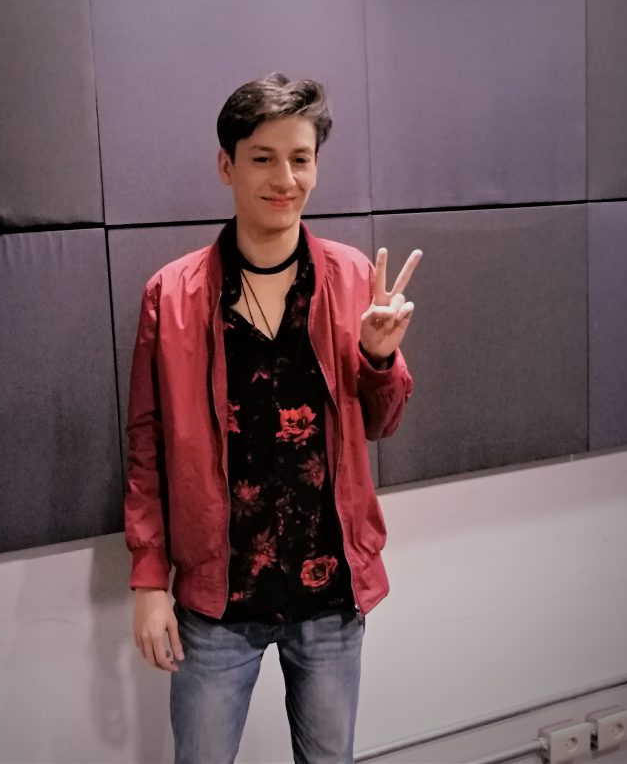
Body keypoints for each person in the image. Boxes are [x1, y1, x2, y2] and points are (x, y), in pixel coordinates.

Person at [125, 72, 421, 764]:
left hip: (330, 592)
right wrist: (149, 581)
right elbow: (146, 446)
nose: (284, 178)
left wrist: (380, 359)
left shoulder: (353, 278)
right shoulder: (171, 295)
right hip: (217, 597)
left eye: (300, 158)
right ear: (226, 165)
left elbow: (382, 424)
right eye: (262, 158)